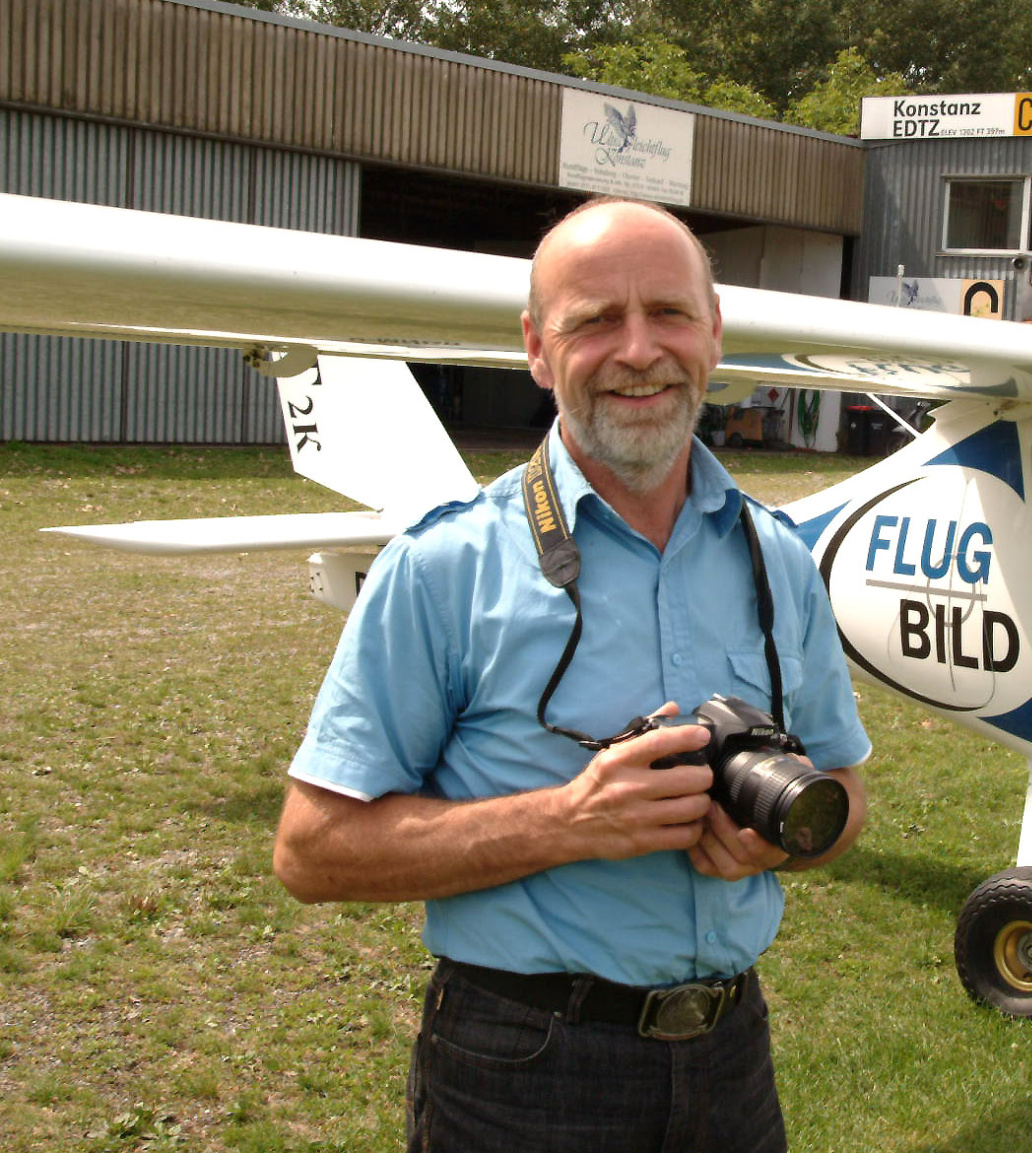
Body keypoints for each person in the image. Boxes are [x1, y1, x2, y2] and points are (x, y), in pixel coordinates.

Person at [272, 197, 870, 1153]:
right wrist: (567, 822)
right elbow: (312, 850)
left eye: (669, 313)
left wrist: (780, 843)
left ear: (714, 332)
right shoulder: (443, 568)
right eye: (594, 320)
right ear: (537, 350)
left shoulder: (777, 559)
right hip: (526, 1069)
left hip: (732, 1058)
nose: (639, 350)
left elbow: (843, 790)